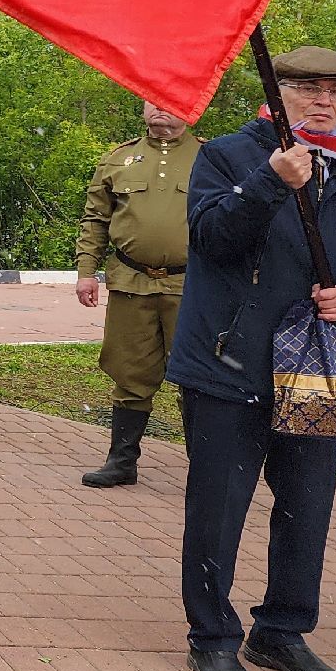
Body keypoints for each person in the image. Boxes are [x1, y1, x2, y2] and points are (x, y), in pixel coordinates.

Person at [166, 46, 336, 671]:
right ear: (275, 93)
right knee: (217, 511)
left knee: (306, 513)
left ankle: (280, 630)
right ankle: (211, 638)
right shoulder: (228, 157)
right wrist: (272, 179)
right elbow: (211, 237)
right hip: (227, 364)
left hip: (317, 372)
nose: (321, 100)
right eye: (305, 87)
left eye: (333, 90)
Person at [74, 101, 201, 487]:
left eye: (172, 102)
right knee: (129, 372)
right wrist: (86, 272)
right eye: (153, 100)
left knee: (197, 377)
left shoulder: (210, 157)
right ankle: (122, 460)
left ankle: (206, 469)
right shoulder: (118, 158)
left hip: (192, 286)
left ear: (192, 110)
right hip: (131, 282)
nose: (161, 108)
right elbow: (95, 218)